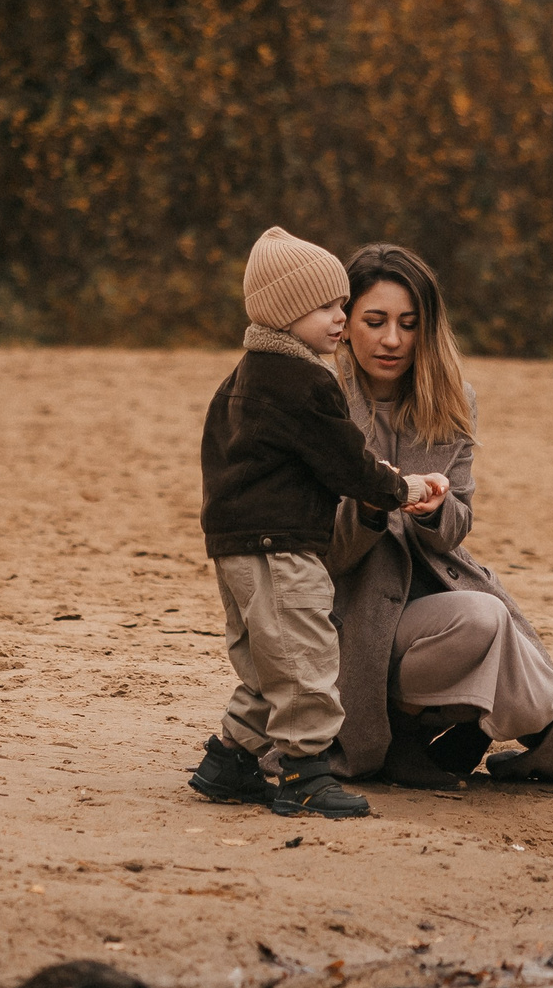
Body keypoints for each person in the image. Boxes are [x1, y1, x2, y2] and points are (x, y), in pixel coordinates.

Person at [325, 243, 553, 796]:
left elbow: (460, 519)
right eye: (375, 321)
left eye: (408, 324)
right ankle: (424, 736)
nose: (392, 339)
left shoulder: (452, 398)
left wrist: (437, 512)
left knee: (517, 662)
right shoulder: (323, 400)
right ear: (344, 325)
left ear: (427, 329)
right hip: (351, 609)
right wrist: (370, 506)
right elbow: (325, 552)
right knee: (490, 626)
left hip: (435, 592)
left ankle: (467, 733)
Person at [188, 226, 450, 819]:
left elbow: (245, 456)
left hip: (235, 547)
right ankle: (306, 773)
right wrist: (399, 486)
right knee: (306, 659)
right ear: (286, 314)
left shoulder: (246, 375)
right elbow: (345, 463)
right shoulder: (305, 380)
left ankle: (228, 761)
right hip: (282, 548)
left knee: (266, 662)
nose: (340, 318)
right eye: (327, 307)